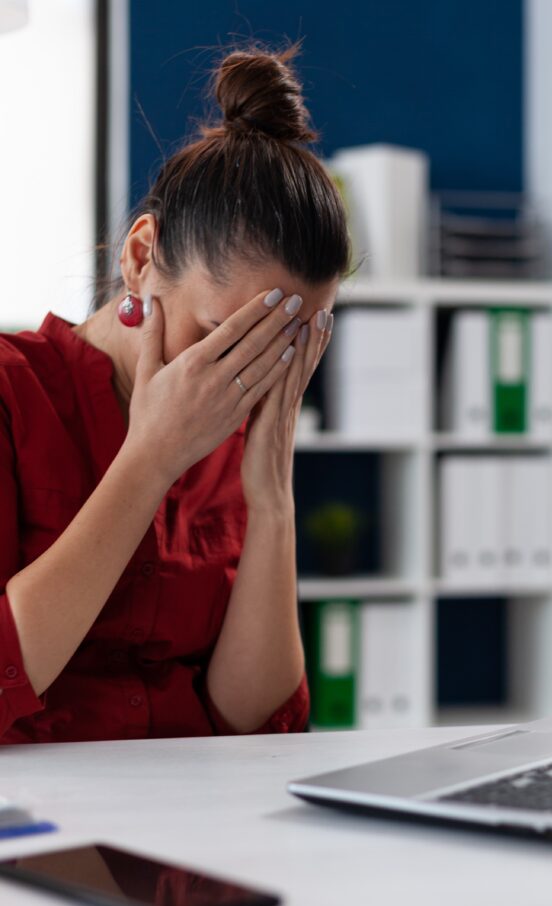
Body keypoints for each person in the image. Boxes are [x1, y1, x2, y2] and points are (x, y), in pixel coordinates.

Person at [0, 40, 350, 743]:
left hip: (189, 822)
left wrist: (272, 495)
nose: (250, 378)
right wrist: (151, 458)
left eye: (287, 348)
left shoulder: (240, 440)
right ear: (139, 258)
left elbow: (254, 724)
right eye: (229, 337)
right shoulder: (15, 395)